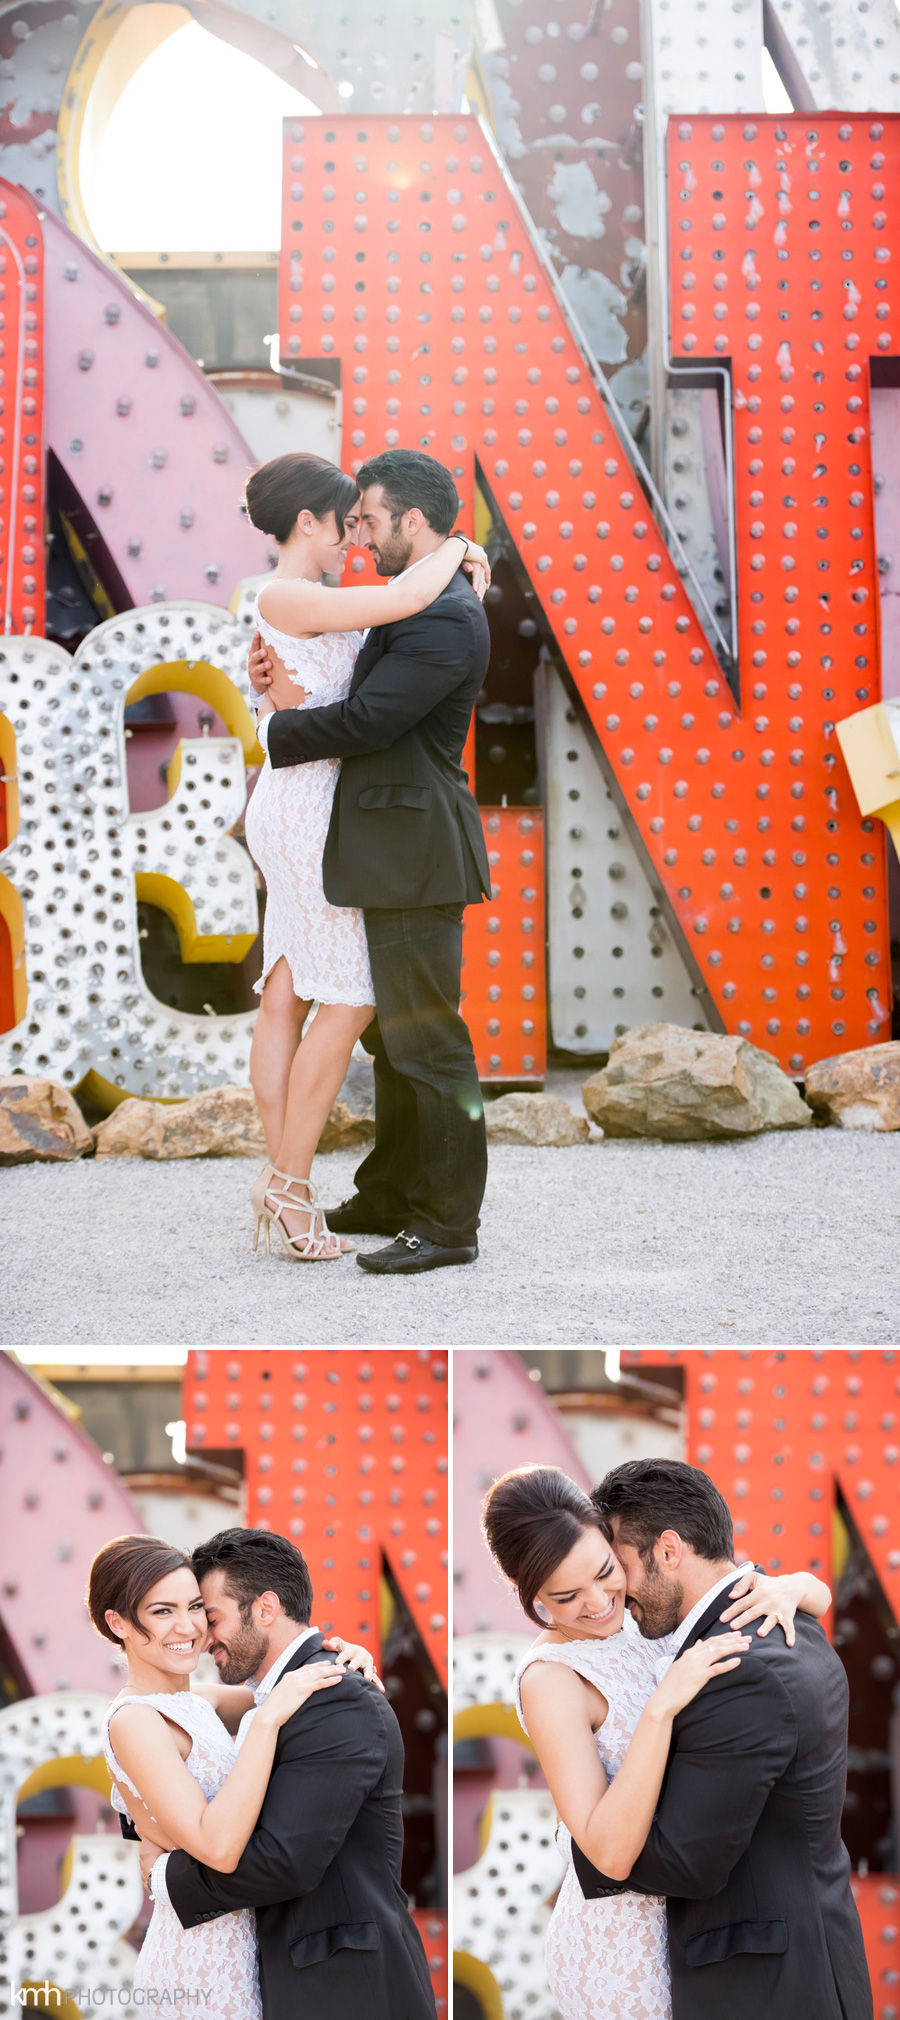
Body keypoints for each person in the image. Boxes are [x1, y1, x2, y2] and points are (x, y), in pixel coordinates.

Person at [481, 1463, 857, 2020]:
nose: (598, 1602)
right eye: (564, 1596)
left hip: (691, 1929)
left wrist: (793, 1585)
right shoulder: (551, 1678)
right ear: (527, 1594)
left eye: (606, 1570)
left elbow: (803, 1602)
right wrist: (659, 1710)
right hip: (620, 1946)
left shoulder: (641, 1615)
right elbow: (605, 1853)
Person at [248, 447, 493, 1277]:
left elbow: (368, 721)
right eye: (350, 522)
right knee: (392, 1041)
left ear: (412, 522)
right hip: (370, 840)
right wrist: (280, 696)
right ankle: (387, 1190)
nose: (362, 535)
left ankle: (447, 1225)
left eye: (373, 521)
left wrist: (278, 726)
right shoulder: (398, 603)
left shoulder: (443, 613)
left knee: (426, 1045)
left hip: (413, 849)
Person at [134, 1527, 436, 2020]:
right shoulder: (271, 1700)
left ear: (265, 1608)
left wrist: (163, 1876)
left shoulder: (335, 1696)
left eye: (212, 1617)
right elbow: (171, 1721)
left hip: (346, 1987)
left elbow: (282, 1861)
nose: (203, 1636)